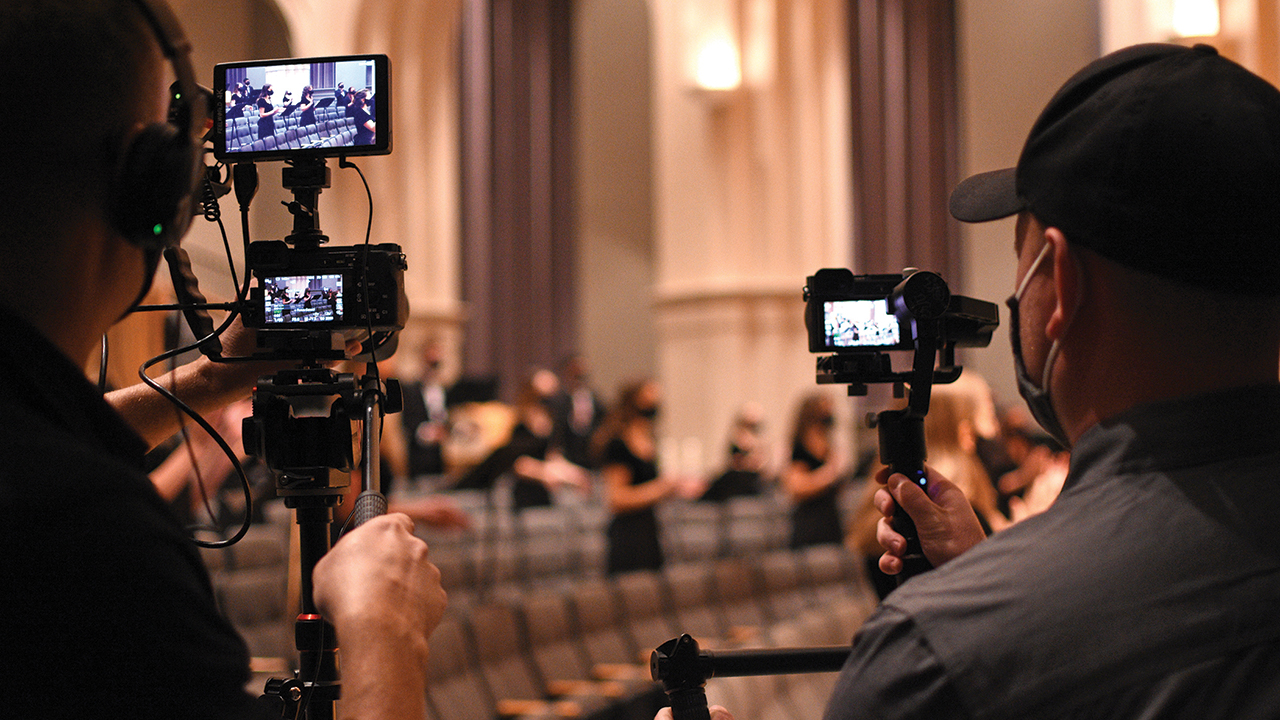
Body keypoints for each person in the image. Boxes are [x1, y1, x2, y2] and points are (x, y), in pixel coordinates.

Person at [0, 2, 447, 719]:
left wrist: (214, 378)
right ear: (152, 183)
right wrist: (383, 631)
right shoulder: (89, 540)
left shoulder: (38, 465)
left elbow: (44, 436)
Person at [826, 43, 1280, 718]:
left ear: (1060, 282)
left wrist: (994, 601)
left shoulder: (935, 660)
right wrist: (991, 570)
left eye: (1021, 257)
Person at [592, 379, 682, 574]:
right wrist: (660, 489)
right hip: (628, 535)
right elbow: (616, 499)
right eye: (650, 397)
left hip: (648, 528)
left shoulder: (650, 440)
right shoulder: (618, 444)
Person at [782, 393, 848, 549]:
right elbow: (796, 488)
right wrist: (829, 474)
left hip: (831, 520)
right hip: (809, 523)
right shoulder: (799, 448)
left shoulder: (830, 447)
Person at [550, 352, 608, 469]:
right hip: (566, 461)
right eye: (576, 374)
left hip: (593, 462)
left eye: (583, 374)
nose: (580, 377)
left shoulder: (598, 402)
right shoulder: (557, 402)